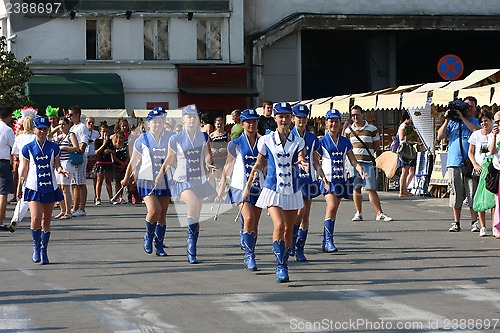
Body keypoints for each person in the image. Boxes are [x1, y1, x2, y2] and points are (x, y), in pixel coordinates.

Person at [242, 102, 309, 283]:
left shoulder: (299, 141)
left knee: (288, 230)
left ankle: (284, 263)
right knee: (278, 225)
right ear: (275, 118)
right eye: (281, 116)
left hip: (292, 190)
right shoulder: (266, 140)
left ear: (292, 118)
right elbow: (259, 164)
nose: (284, 120)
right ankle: (279, 265)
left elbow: (301, 156)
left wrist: (302, 163)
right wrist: (248, 186)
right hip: (272, 189)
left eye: (287, 116)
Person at [156, 104, 216, 264]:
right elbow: (169, 158)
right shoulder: (175, 139)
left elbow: (207, 155)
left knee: (196, 215)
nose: (192, 120)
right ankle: (191, 246)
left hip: (200, 180)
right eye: (189, 117)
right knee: (193, 203)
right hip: (182, 180)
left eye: (195, 117)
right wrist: (161, 172)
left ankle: (193, 247)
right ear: (183, 119)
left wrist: (209, 164)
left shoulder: (204, 137)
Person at [17, 116, 69, 264]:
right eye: (39, 129)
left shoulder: (54, 147)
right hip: (33, 186)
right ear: (34, 129)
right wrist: (20, 183)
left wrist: (61, 171)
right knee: (36, 217)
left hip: (50, 186)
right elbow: (24, 167)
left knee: (46, 220)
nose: (42, 132)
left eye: (45, 129)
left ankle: (44, 249)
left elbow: (57, 165)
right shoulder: (28, 148)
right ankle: (36, 246)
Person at [122, 107, 173, 256]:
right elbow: (133, 162)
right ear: (148, 123)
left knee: (162, 214)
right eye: (154, 122)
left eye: (160, 122)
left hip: (165, 180)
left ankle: (159, 244)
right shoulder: (141, 140)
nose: (157, 125)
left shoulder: (170, 138)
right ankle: (148, 236)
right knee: (154, 210)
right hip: (146, 180)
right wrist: (126, 178)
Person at [218, 109, 263, 271]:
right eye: (248, 121)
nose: (251, 124)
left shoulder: (263, 143)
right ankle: (249, 256)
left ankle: (248, 242)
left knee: (255, 223)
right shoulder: (235, 144)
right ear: (242, 124)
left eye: (254, 121)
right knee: (250, 218)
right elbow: (228, 165)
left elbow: (266, 165)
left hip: (259, 186)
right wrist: (222, 186)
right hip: (239, 186)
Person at [319, 109, 365, 252]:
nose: (334, 124)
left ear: (340, 123)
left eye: (336, 121)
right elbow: (315, 160)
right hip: (328, 180)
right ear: (326, 123)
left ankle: (326, 240)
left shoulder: (345, 141)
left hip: (341, 180)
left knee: (334, 211)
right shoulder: (321, 141)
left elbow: (352, 159)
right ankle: (328, 240)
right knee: (331, 206)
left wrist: (359, 168)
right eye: (331, 121)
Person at [290, 104, 328, 261]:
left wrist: (323, 177)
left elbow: (316, 161)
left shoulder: (312, 138)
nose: (301, 120)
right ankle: (291, 239)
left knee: (305, 214)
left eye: (304, 117)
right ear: (293, 119)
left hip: (308, 180)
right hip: (292, 179)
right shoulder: (287, 136)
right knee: (295, 212)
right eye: (299, 117)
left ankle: (300, 247)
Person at [437, 96, 480, 232]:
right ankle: (456, 222)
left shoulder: (475, 122)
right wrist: (447, 119)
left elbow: (476, 131)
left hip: (470, 163)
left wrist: (462, 118)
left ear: (475, 108)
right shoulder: (452, 122)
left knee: (472, 193)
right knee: (456, 194)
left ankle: (474, 222)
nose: (468, 108)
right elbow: (440, 136)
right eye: (466, 105)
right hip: (454, 162)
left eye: (471, 106)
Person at [344, 105, 393, 222]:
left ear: (363, 115)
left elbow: (377, 146)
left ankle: (379, 213)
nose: (355, 117)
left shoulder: (372, 129)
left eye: (357, 114)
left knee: (371, 188)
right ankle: (358, 213)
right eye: (353, 115)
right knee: (356, 188)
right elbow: (345, 145)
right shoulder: (348, 130)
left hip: (367, 162)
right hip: (354, 163)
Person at [9, 114, 36, 231]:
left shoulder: (19, 137)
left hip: (22, 167)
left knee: (25, 194)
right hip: (34, 167)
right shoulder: (35, 137)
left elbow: (14, 152)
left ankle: (16, 217)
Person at [468, 110, 493, 236]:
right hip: (479, 170)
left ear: (491, 121)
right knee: (478, 197)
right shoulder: (476, 135)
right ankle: (482, 226)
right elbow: (470, 152)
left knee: (492, 198)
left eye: (486, 121)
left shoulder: (494, 134)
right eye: (482, 121)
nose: (484, 123)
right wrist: (475, 165)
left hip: (492, 169)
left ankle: (495, 225)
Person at [53, 116, 80, 220]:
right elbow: (49, 135)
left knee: (65, 187)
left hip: (67, 162)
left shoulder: (70, 135)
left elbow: (76, 148)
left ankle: (68, 211)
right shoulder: (59, 136)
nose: (61, 126)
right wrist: (56, 128)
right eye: (60, 124)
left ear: (68, 125)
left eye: (64, 124)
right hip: (59, 162)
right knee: (59, 187)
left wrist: (65, 148)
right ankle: (63, 209)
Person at [68, 105, 90, 217]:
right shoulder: (72, 128)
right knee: (74, 183)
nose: (69, 117)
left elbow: (84, 142)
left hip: (79, 156)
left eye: (71, 115)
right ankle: (75, 206)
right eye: (68, 115)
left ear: (78, 115)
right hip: (72, 156)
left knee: (80, 182)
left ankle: (82, 208)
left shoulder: (82, 127)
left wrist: (79, 156)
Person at [0, 106, 15, 231]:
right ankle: (0, 220)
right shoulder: (7, 130)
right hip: (3, 161)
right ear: (9, 116)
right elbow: (14, 147)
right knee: (2, 193)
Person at [94, 122, 115, 206]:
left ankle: (111, 197)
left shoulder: (110, 141)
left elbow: (114, 151)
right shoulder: (97, 141)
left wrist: (109, 150)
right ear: (100, 131)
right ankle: (98, 198)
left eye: (106, 131)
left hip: (108, 162)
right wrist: (103, 145)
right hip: (100, 162)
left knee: (108, 181)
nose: (105, 133)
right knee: (99, 181)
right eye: (103, 131)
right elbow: (96, 152)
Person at [398, 111, 417, 197]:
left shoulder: (409, 126)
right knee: (405, 170)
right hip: (404, 150)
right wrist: (412, 134)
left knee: (408, 170)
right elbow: (402, 138)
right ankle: (402, 191)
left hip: (409, 148)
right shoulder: (403, 126)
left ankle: (405, 189)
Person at [210, 116, 229, 187]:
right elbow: (208, 147)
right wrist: (213, 149)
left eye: (221, 124)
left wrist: (225, 149)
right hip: (215, 159)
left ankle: (222, 191)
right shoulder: (212, 135)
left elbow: (230, 146)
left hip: (224, 158)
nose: (219, 126)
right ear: (215, 124)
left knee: (224, 176)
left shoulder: (227, 134)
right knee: (214, 176)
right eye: (218, 124)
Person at [112, 131, 129, 204]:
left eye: (122, 138)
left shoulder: (126, 146)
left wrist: (125, 163)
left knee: (124, 180)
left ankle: (123, 196)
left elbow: (129, 155)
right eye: (119, 138)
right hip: (117, 165)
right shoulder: (114, 146)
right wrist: (120, 163)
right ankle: (118, 196)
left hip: (125, 164)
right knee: (117, 181)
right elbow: (114, 156)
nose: (120, 140)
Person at [85, 117, 100, 181]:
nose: (91, 124)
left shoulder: (96, 133)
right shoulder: (83, 131)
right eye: (89, 123)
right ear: (85, 123)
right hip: (84, 155)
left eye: (92, 123)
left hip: (93, 156)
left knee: (94, 178)